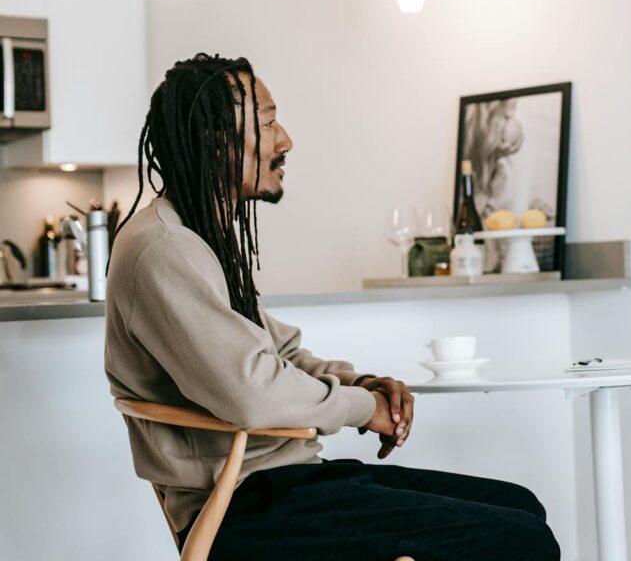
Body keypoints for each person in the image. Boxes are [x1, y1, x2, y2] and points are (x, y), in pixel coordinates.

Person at [104, 53, 560, 561]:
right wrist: (364, 410)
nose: (286, 140)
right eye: (270, 122)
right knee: (522, 539)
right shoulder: (164, 249)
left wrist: (361, 383)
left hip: (292, 484)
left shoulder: (199, 237)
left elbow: (278, 353)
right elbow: (252, 393)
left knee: (522, 507)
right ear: (216, 140)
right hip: (247, 508)